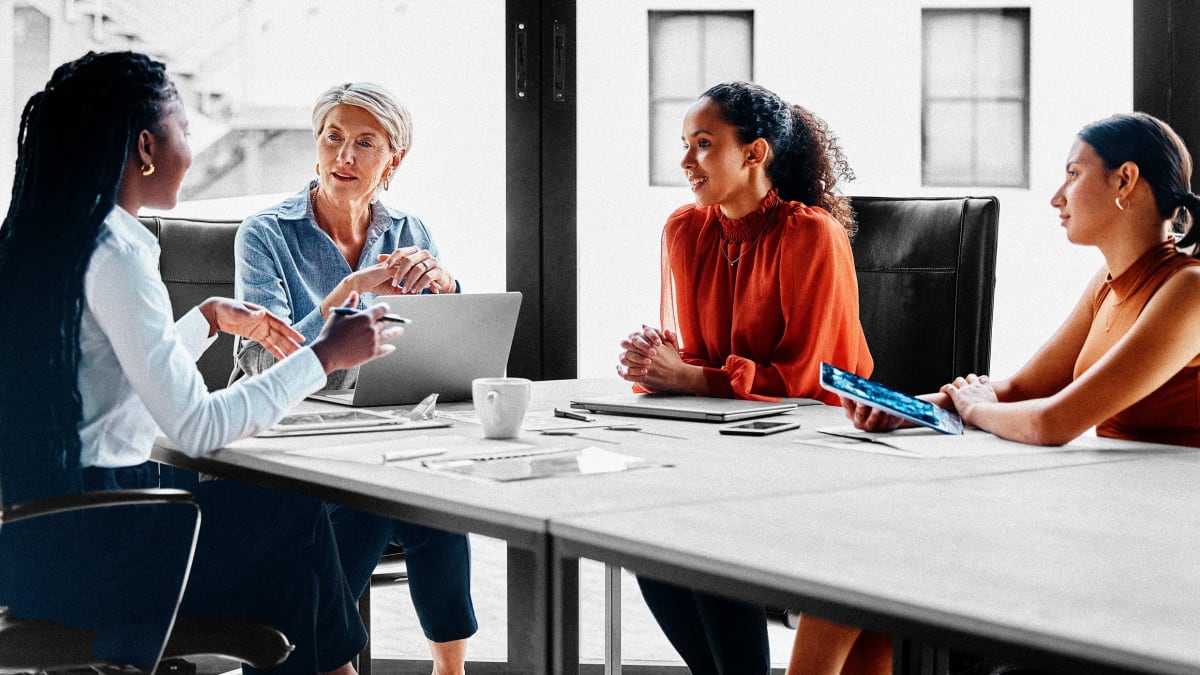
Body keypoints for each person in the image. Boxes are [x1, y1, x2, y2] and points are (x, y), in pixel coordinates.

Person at [0, 52, 403, 674]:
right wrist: (325, 354)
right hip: (104, 549)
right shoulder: (117, 254)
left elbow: (116, 384)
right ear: (146, 147)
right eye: (184, 131)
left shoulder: (59, 239)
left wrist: (205, 321)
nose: (190, 149)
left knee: (284, 528)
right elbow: (197, 427)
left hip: (45, 546)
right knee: (289, 513)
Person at [615, 81, 888, 675]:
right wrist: (658, 362)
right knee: (645, 537)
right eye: (684, 145)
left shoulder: (811, 234)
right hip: (730, 445)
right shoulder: (686, 231)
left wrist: (689, 378)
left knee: (707, 532)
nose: (686, 162)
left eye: (703, 144)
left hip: (818, 453)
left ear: (754, 153)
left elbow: (808, 378)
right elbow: (701, 356)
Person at [232, 82, 476, 674]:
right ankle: (320, 657)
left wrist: (446, 289)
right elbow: (262, 364)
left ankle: (446, 670)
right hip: (289, 445)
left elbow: (444, 350)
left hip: (375, 433)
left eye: (365, 142)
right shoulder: (265, 234)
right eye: (332, 137)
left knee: (430, 497)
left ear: (394, 159)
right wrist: (346, 293)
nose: (344, 155)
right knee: (378, 501)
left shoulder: (409, 232)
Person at [847, 112, 1200, 449]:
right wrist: (900, 409)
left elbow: (1052, 423)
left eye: (1074, 174)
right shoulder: (1105, 284)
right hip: (1122, 482)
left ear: (1124, 180)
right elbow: (1021, 390)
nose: (1056, 197)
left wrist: (975, 409)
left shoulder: (1190, 289)